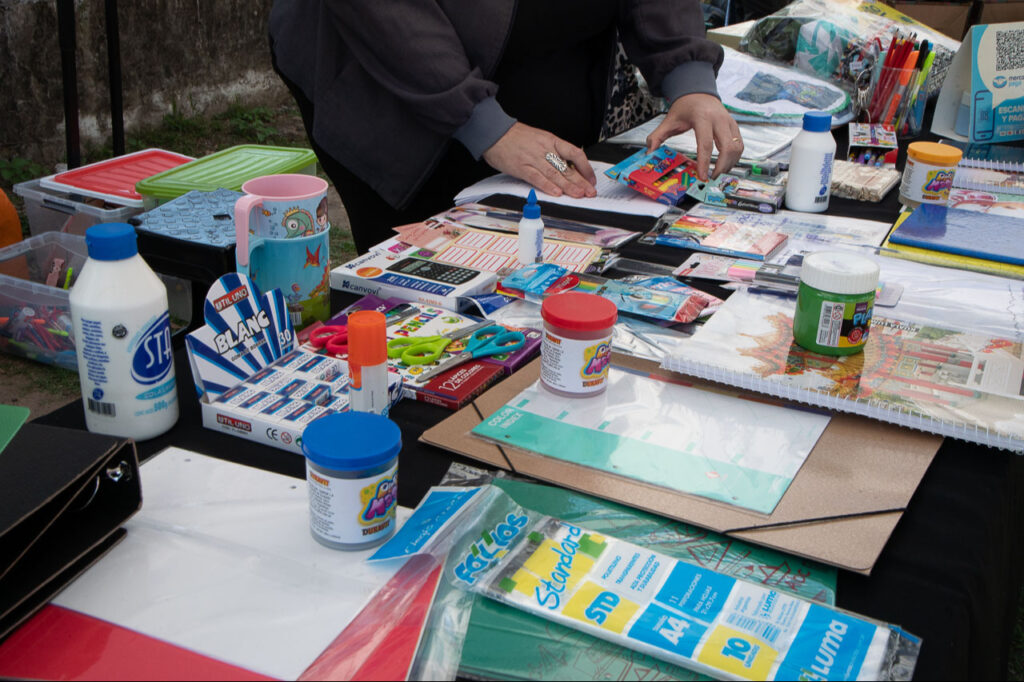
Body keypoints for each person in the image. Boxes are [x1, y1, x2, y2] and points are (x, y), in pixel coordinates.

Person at [269, 1, 744, 254]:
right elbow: (388, 17)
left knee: (549, 258)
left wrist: (689, 78)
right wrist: (487, 127)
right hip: (392, 81)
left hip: (533, 77)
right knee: (432, 276)